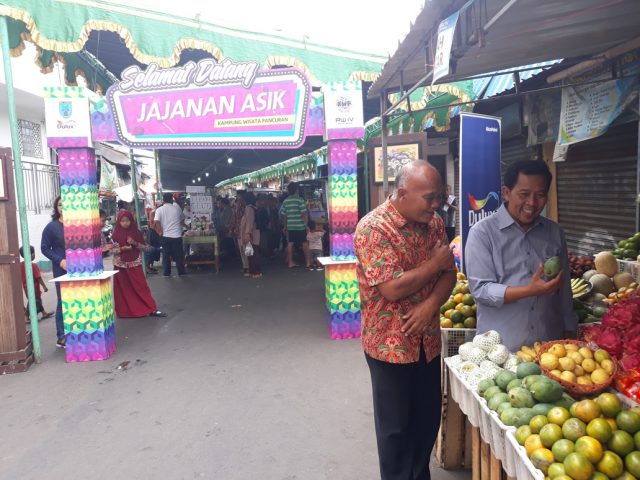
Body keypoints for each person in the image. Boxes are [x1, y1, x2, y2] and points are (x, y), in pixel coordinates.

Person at [354, 161, 455, 480]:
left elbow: (449, 275)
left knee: (426, 422)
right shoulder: (373, 228)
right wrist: (433, 264)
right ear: (401, 193)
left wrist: (430, 305)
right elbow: (392, 287)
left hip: (427, 342)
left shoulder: (435, 224)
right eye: (429, 197)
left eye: (439, 196)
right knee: (396, 431)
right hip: (389, 347)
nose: (436, 204)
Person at [465, 160, 576, 351]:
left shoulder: (555, 232)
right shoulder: (482, 233)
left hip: (549, 347)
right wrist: (530, 290)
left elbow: (564, 289)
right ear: (507, 193)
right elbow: (481, 290)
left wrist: (569, 328)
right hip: (500, 350)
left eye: (540, 195)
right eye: (524, 194)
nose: (532, 203)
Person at [111, 210, 166, 318]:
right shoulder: (115, 234)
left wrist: (134, 243)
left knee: (141, 287)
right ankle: (125, 312)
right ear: (119, 222)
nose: (125, 223)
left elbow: (145, 248)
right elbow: (111, 251)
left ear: (131, 221)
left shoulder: (136, 233)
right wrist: (122, 249)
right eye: (122, 221)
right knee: (123, 290)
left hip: (134, 263)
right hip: (120, 265)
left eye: (127, 220)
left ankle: (151, 308)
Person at [41, 196, 67, 348]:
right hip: (61, 269)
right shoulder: (52, 227)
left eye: (66, 204)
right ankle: (61, 336)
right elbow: (44, 248)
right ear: (56, 208)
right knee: (63, 301)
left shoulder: (77, 225)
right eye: (60, 205)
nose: (63, 207)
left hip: (80, 268)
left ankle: (77, 332)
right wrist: (60, 261)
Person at [153, 192, 187, 277]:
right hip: (177, 235)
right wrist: (187, 227)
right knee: (178, 254)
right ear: (172, 199)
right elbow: (182, 221)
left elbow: (156, 221)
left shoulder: (159, 210)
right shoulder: (177, 209)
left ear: (163, 200)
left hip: (165, 236)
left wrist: (160, 231)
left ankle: (167, 273)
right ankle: (181, 271)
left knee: (166, 255)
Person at [280, 182, 310, 268]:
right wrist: (306, 225)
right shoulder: (300, 200)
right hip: (300, 225)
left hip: (290, 225)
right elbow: (304, 214)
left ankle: (290, 262)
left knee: (290, 243)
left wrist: (285, 226)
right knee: (304, 243)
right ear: (296, 190)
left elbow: (284, 215)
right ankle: (308, 262)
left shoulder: (286, 201)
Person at [19, 245, 53, 320]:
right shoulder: (33, 265)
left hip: (25, 287)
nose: (34, 255)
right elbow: (38, 278)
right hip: (34, 287)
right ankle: (26, 315)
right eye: (33, 253)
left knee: (36, 300)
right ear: (30, 254)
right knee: (35, 301)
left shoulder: (20, 265)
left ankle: (44, 313)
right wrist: (44, 286)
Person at [240, 192, 262, 278]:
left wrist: (247, 233)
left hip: (250, 234)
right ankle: (252, 270)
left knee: (252, 254)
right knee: (251, 253)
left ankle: (255, 271)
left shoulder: (249, 208)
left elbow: (249, 221)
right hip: (253, 233)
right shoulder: (253, 207)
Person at [231, 192, 248, 274]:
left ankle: (247, 266)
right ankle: (247, 266)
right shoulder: (243, 203)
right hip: (242, 228)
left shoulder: (239, 204)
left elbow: (236, 216)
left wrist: (233, 227)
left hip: (241, 228)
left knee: (244, 248)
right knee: (245, 248)